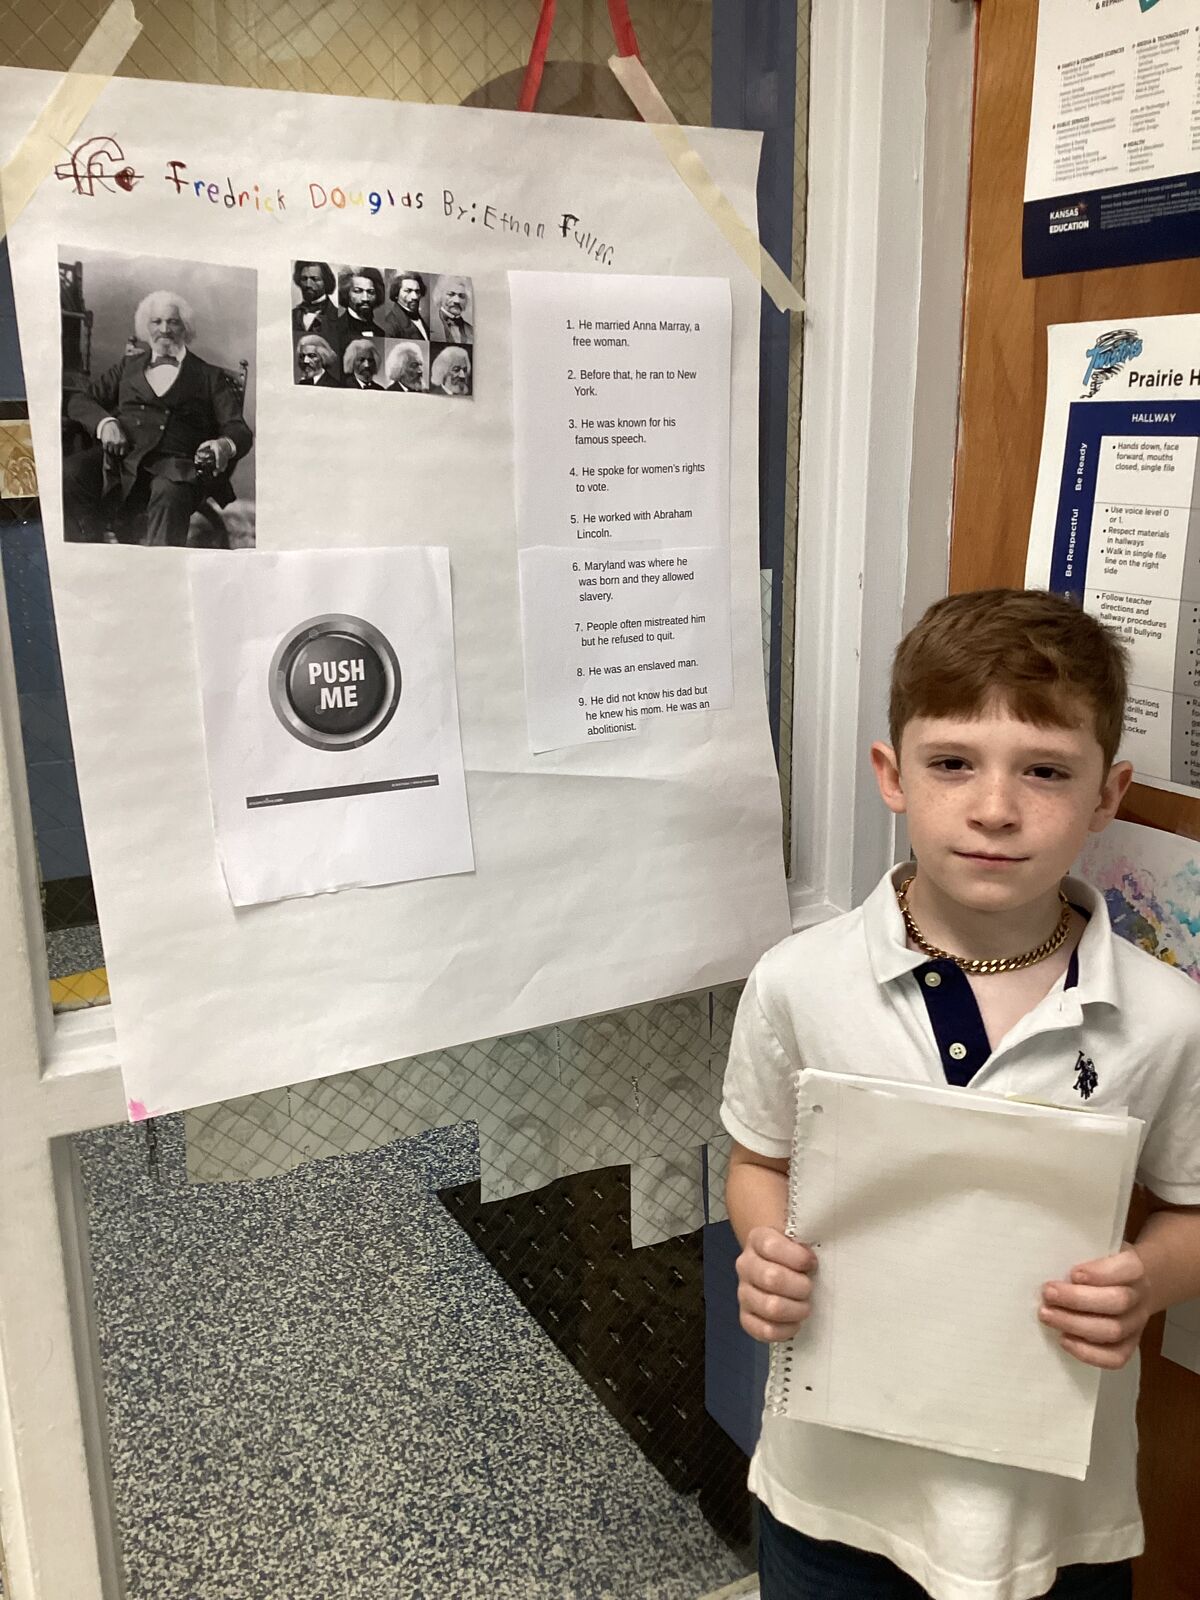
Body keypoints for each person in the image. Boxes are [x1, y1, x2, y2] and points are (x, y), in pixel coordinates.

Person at [723, 589, 1200, 1600]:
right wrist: (764, 1247)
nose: (994, 807)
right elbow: (760, 1157)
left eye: (1045, 770)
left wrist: (1150, 1278)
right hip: (832, 1489)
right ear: (892, 775)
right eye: (953, 763)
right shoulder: (799, 981)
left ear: (1107, 794)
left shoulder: (1165, 1017)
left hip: (1049, 1511)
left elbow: (1196, 1207)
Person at [63, 289, 252, 546]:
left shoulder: (208, 376)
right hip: (121, 461)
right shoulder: (127, 367)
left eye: (173, 321)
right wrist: (106, 424)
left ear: (185, 328)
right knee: (70, 473)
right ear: (146, 327)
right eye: (156, 322)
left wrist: (222, 445)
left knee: (170, 494)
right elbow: (80, 400)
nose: (165, 329)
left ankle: (159, 576)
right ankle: (89, 557)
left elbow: (238, 429)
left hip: (175, 467)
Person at [291, 260, 340, 349]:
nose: (308, 284)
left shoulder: (339, 318)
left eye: (315, 279)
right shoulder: (292, 315)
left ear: (326, 282)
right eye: (304, 279)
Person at [336, 266, 385, 350]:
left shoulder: (381, 332)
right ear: (346, 293)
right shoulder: (337, 328)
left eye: (371, 292)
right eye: (358, 291)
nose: (365, 298)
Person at [376, 271, 430, 340]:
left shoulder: (420, 319)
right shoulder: (390, 325)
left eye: (417, 291)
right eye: (408, 291)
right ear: (396, 293)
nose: (415, 297)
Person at [429, 275, 473, 344]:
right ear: (440, 295)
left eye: (461, 296)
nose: (457, 301)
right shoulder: (428, 325)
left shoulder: (471, 330)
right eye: (451, 294)